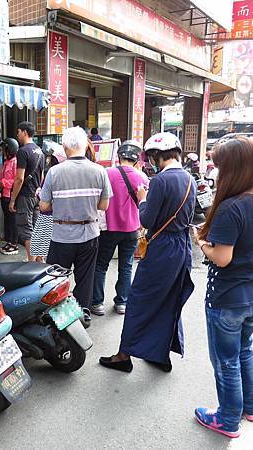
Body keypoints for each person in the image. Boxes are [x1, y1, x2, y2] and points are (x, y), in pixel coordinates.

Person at [192, 137, 253, 438]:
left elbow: (223, 258)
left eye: (220, 167)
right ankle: (250, 407)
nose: (217, 172)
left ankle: (228, 419)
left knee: (226, 361)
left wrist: (201, 243)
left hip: (228, 298)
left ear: (234, 169)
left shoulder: (231, 207)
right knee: (244, 350)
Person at [99, 132, 195, 373]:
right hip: (182, 247)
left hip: (163, 247)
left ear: (156, 156)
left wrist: (142, 199)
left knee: (139, 299)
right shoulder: (189, 179)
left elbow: (147, 219)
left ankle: (124, 355)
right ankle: (160, 354)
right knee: (168, 300)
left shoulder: (161, 181)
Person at [39, 126, 112, 327]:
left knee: (56, 277)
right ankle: (82, 313)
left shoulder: (54, 172)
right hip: (89, 233)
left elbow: (44, 206)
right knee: (86, 277)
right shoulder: (100, 171)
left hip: (61, 235)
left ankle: (58, 315)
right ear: (85, 145)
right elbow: (104, 206)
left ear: (64, 147)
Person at [91, 141, 148, 316]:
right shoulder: (142, 178)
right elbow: (145, 203)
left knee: (101, 265)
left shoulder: (106, 173)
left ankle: (97, 303)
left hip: (108, 228)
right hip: (131, 229)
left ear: (118, 157)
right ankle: (122, 302)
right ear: (136, 160)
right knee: (126, 266)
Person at [9, 121, 45, 261]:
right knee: (37, 228)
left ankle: (32, 263)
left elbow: (19, 178)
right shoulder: (40, 151)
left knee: (26, 229)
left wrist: (13, 199)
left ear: (24, 132)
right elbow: (41, 175)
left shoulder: (23, 152)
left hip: (25, 195)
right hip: (36, 194)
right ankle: (40, 260)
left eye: (18, 132)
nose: (17, 135)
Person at [30, 141, 67, 262]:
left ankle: (41, 267)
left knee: (42, 248)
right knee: (42, 248)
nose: (47, 159)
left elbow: (46, 200)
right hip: (52, 216)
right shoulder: (58, 173)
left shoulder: (53, 173)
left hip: (48, 216)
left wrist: (40, 193)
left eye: (49, 157)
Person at [0, 138, 19, 255]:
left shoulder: (15, 162)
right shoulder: (7, 162)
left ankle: (14, 244)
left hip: (11, 195)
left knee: (12, 220)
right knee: (7, 220)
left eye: (3, 150)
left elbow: (16, 180)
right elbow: (4, 178)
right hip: (4, 195)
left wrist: (2, 183)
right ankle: (9, 242)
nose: (2, 152)